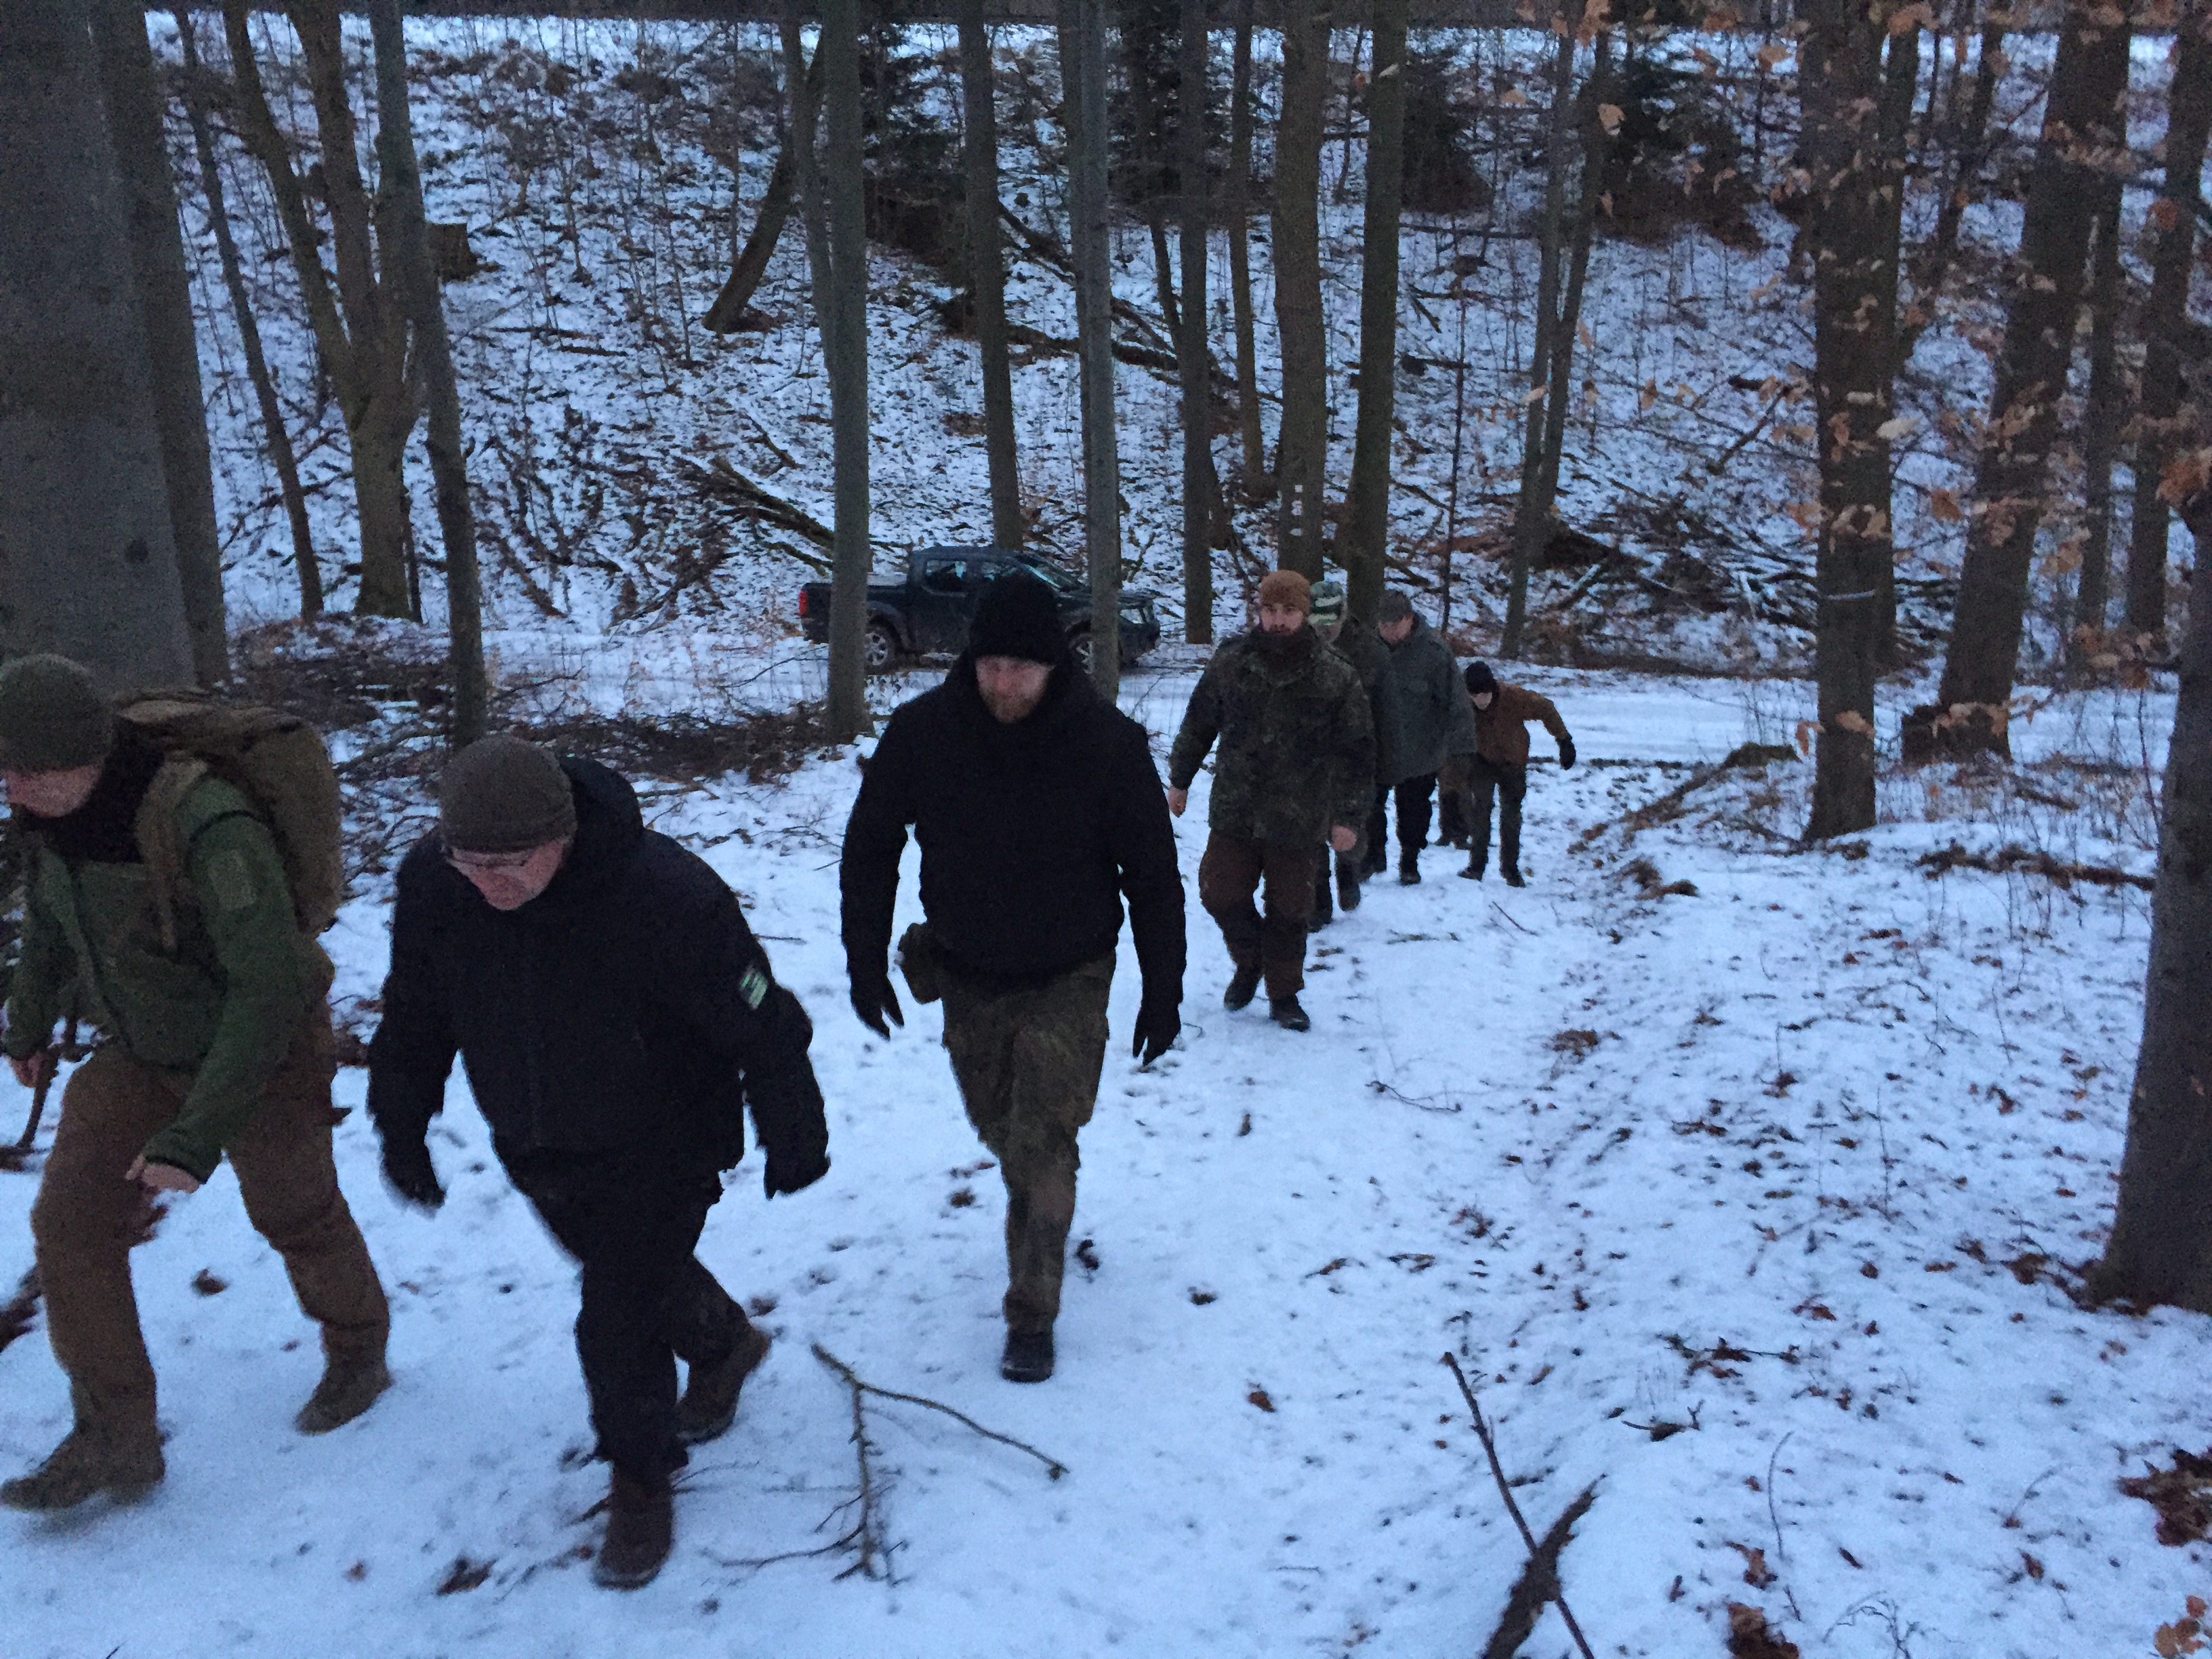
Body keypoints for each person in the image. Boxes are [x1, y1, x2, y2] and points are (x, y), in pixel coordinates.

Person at [368, 735, 829, 1590]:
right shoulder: (437, 887)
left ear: (563, 835)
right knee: (635, 1278)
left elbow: (760, 1015)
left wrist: (793, 1125)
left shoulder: (666, 896)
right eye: (470, 862)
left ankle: (641, 1480)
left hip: (664, 1136)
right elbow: (416, 1013)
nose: (488, 882)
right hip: (536, 1138)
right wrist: (402, 1123)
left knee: (616, 1318)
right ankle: (725, 1345)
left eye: (510, 863)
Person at [0, 655, 390, 1513]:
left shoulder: (209, 824)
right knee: (69, 1223)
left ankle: (359, 1346)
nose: (10, 790)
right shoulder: (52, 817)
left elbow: (271, 988)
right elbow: (54, 924)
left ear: (81, 760)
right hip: (142, 1052)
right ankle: (114, 1436)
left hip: (263, 1055)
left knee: (295, 1213)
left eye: (25, 772)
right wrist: (26, 1022)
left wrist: (195, 1137)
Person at [841, 573, 1183, 1386]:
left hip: (1071, 973)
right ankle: (1039, 1212)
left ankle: (1033, 1313)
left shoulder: (1108, 745)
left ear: (1054, 665)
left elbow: (1152, 876)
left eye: (1021, 669)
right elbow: (872, 846)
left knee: (1042, 1143)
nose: (1004, 683)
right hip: (969, 970)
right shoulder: (924, 733)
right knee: (1002, 1129)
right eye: (991, 665)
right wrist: (864, 958)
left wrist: (1163, 988)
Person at [1167, 569, 1372, 1032]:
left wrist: (1348, 817)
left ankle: (1284, 994)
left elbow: (1357, 753)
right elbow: (1199, 723)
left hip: (1299, 816)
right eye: (1270, 610)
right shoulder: (1232, 663)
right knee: (1219, 893)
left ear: (1305, 614)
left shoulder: (1335, 675)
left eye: (1289, 611)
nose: (1278, 620)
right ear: (1258, 611)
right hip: (1236, 809)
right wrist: (1180, 780)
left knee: (1291, 910)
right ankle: (1250, 961)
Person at [1307, 579, 1398, 924]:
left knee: (1351, 827)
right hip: (1310, 758)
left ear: (1344, 614)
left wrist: (1388, 765)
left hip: (1357, 757)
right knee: (1310, 830)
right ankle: (1318, 902)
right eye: (1318, 620)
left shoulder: (1371, 652)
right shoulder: (1297, 648)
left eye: (1331, 619)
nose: (1325, 628)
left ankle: (1348, 874)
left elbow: (1388, 714)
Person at [1374, 590, 1477, 885]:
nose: (1388, 631)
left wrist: (1462, 748)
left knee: (1414, 811)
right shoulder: (1369, 649)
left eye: (1394, 625)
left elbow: (1457, 703)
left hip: (1420, 749)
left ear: (1409, 619)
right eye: (1383, 625)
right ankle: (1373, 856)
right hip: (1377, 748)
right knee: (1369, 807)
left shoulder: (1434, 653)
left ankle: (1409, 860)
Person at [1456, 661, 1576, 886]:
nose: (1480, 700)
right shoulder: (1462, 703)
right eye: (1474, 695)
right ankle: (1476, 866)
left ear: (1492, 689)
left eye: (1484, 694)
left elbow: (1546, 708)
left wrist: (1563, 740)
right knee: (1480, 810)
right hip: (1481, 760)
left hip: (1513, 763)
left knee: (1511, 816)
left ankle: (1510, 869)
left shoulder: (1514, 698)